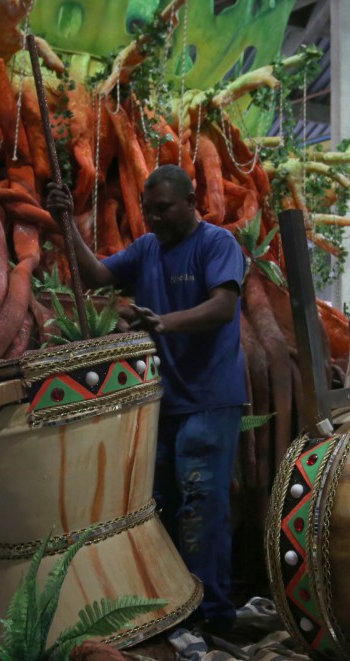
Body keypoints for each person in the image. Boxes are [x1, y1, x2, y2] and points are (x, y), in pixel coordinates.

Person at [45, 165, 246, 631]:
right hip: (162, 402)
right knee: (158, 504)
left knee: (203, 506)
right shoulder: (147, 249)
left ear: (191, 202)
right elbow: (95, 275)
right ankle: (174, 609)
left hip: (210, 400)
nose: (153, 219)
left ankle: (214, 617)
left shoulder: (217, 244)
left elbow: (224, 305)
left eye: (163, 209)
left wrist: (163, 323)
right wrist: (65, 223)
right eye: (147, 210)